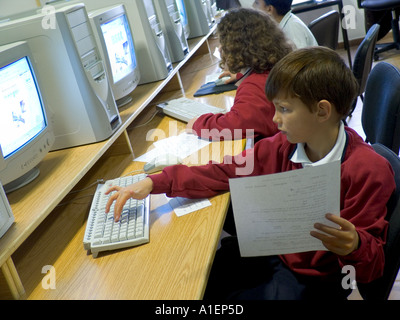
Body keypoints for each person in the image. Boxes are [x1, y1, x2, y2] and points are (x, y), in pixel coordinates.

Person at [104, 47, 395, 299]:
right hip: (279, 254)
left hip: (318, 278)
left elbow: (372, 269)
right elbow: (223, 171)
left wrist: (354, 244)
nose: (274, 119)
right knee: (204, 275)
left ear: (322, 112)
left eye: (284, 109)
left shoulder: (367, 170)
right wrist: (153, 182)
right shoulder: (283, 146)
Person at [186, 8, 292, 141]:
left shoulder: (255, 85)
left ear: (239, 47)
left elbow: (237, 124)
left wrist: (198, 124)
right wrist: (241, 75)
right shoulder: (272, 69)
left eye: (223, 42)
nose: (219, 48)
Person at [253, 0, 318, 49]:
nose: (253, 6)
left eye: (256, 3)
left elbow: (300, 62)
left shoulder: (293, 29)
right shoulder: (281, 24)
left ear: (269, 9)